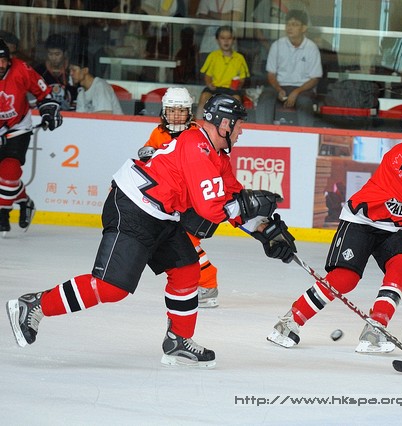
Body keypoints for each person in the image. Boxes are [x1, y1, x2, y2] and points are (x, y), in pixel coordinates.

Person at [6, 94, 297, 368]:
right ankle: (35, 305)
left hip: (162, 214)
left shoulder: (218, 156)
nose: (242, 131)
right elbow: (211, 209)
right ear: (225, 123)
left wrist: (265, 230)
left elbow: (232, 200)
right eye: (240, 125)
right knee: (111, 287)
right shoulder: (196, 145)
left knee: (187, 270)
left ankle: (178, 341)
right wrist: (247, 207)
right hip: (134, 207)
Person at [267, 106, 402, 353]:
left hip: (398, 227)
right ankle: (290, 321)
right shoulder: (399, 156)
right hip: (363, 219)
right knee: (345, 278)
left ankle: (375, 329)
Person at [138, 87, 222, 308]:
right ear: (164, 111)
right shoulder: (158, 133)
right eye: (171, 110)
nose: (176, 115)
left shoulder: (198, 134)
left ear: (189, 112)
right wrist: (146, 153)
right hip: (175, 201)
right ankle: (202, 283)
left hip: (197, 200)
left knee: (188, 242)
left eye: (181, 110)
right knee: (182, 242)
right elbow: (149, 155)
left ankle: (208, 284)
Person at [0, 39, 63, 234]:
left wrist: (49, 111)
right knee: (6, 179)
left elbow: (43, 93)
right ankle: (25, 202)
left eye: (4, 60)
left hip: (18, 127)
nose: (1, 65)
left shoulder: (21, 70)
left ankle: (3, 214)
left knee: (10, 170)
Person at [256, 10, 322, 127]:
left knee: (305, 102)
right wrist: (278, 89)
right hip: (280, 86)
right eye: (288, 24)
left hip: (303, 88)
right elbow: (271, 74)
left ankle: (305, 135)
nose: (290, 28)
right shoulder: (277, 45)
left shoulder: (311, 48)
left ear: (304, 28)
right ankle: (263, 132)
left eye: (295, 25)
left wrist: (296, 92)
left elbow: (314, 79)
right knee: (265, 98)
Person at [196, 26, 249, 119]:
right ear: (217, 40)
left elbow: (242, 78)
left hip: (231, 89)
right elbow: (208, 75)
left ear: (234, 40)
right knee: (204, 96)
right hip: (215, 88)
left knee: (237, 99)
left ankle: (236, 123)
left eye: (229, 38)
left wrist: (238, 84)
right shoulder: (213, 56)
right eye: (223, 38)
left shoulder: (239, 58)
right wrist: (209, 84)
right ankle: (199, 122)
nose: (226, 41)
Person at [196, 0, 246, 69]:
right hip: (207, 48)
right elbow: (202, 19)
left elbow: (235, 17)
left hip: (229, 50)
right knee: (206, 75)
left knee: (229, 75)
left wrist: (212, 14)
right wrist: (225, 18)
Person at [34, 33, 77, 111]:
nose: (53, 58)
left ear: (65, 53)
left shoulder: (73, 70)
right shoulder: (39, 71)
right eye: (50, 54)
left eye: (57, 54)